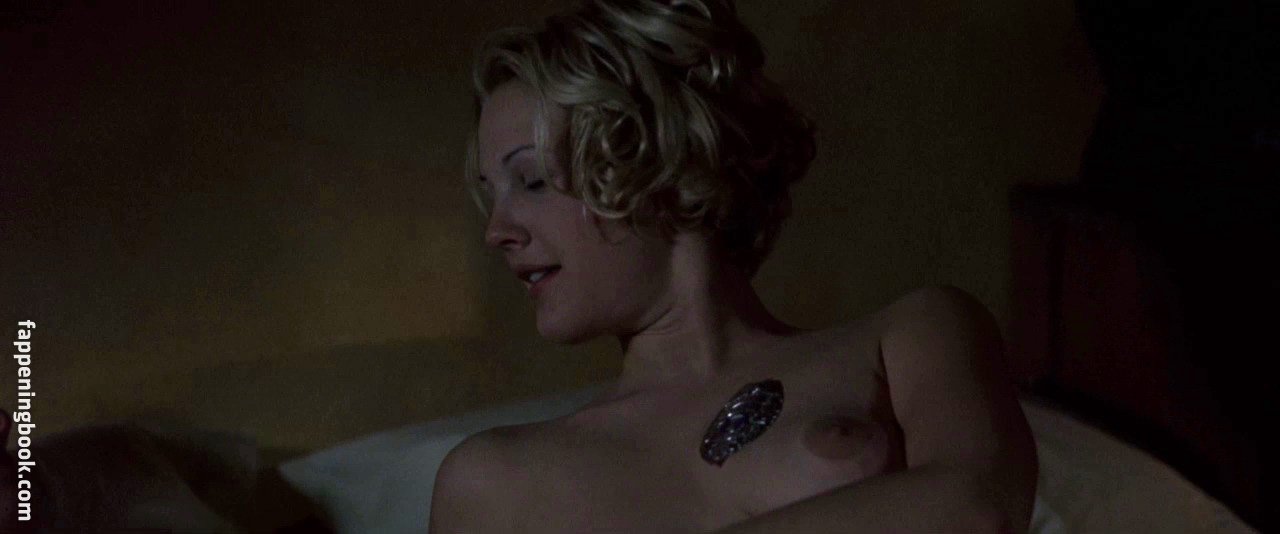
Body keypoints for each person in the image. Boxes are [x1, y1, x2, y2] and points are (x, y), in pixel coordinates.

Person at [428, 0, 1038, 532]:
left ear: (655, 158)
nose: (496, 232)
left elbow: (975, 510)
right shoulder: (489, 481)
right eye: (491, 195)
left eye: (532, 180)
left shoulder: (913, 337)